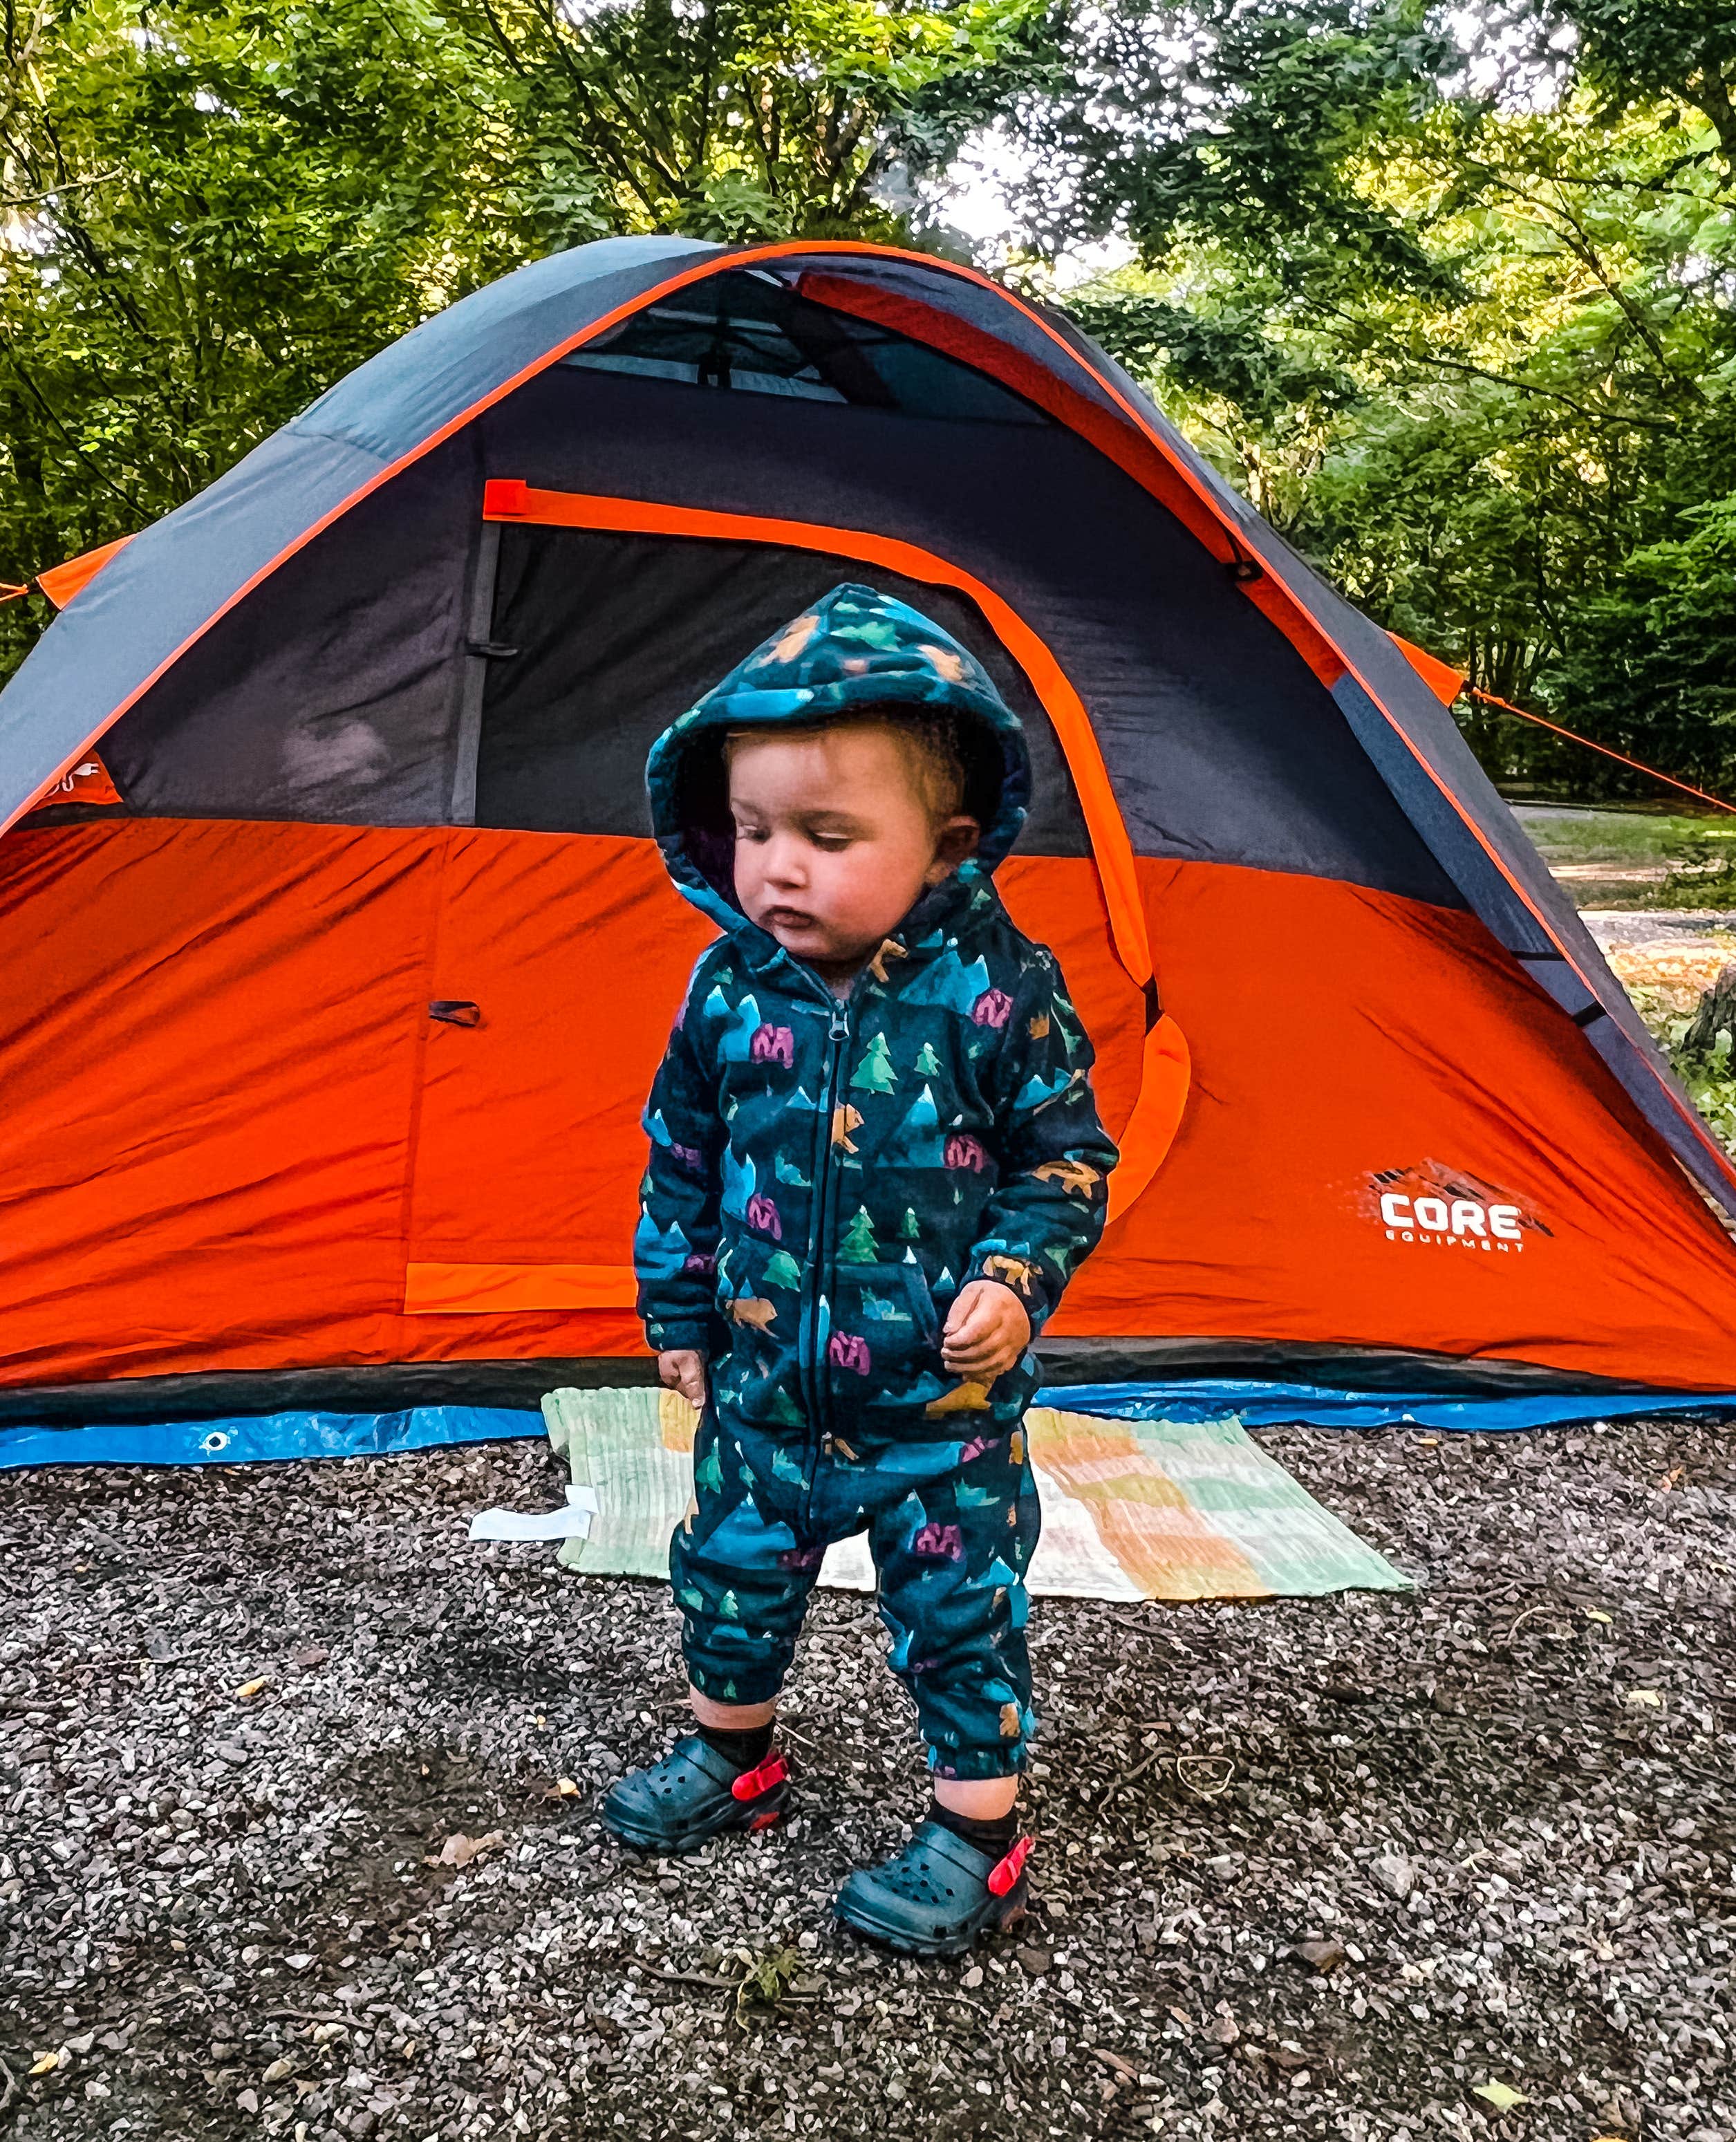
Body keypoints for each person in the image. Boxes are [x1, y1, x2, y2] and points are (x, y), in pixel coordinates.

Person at [603, 582, 1118, 1959]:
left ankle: (974, 1832)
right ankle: (735, 1755)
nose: (777, 868)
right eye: (754, 830)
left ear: (944, 845)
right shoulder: (727, 987)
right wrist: (677, 1307)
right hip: (766, 1388)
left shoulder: (998, 989)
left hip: (934, 1417)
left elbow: (1062, 1157)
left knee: (958, 1613)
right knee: (724, 1573)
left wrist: (1012, 1279)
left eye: (827, 838)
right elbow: (682, 1152)